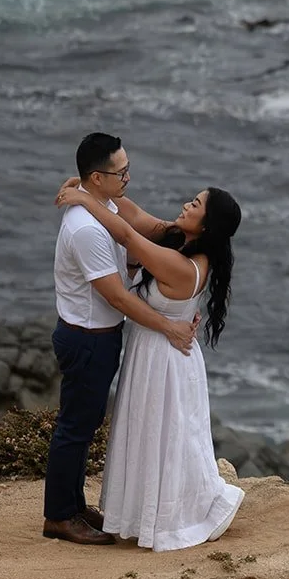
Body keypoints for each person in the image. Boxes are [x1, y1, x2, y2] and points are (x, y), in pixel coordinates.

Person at [53, 175, 245, 551]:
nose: (187, 204)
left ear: (206, 226)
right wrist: (94, 188)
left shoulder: (181, 264)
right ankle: (144, 513)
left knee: (163, 436)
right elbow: (133, 213)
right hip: (156, 353)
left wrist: (82, 199)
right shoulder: (179, 239)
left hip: (164, 359)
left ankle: (170, 517)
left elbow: (126, 236)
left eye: (196, 204)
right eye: (192, 199)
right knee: (153, 435)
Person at [42, 133, 200, 546]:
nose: (129, 176)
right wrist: (168, 326)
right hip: (86, 338)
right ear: (97, 177)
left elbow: (152, 229)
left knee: (86, 421)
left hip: (100, 336)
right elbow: (114, 295)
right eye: (121, 171)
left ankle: (73, 504)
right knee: (75, 427)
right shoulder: (86, 231)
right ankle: (59, 516)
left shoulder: (106, 206)